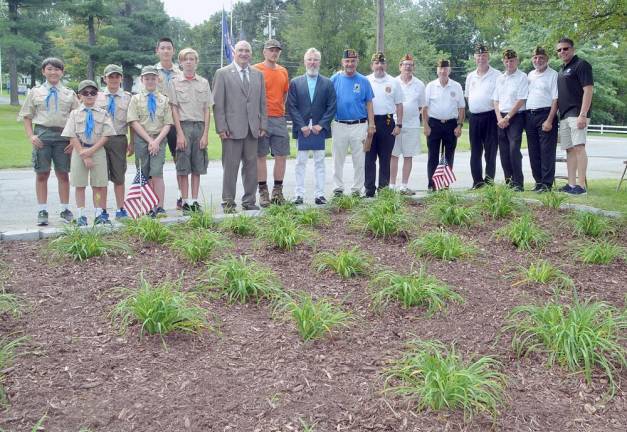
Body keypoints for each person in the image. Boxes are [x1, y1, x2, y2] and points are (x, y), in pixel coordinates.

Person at [18, 57, 79, 226]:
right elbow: (27, 117)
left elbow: (77, 118)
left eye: (57, 69)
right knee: (42, 173)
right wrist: (31, 136)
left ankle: (65, 209)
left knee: (63, 174)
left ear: (62, 72)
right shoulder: (35, 92)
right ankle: (42, 210)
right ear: (43, 71)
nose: (53, 72)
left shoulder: (69, 94)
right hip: (42, 136)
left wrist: (74, 141)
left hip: (63, 137)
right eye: (50, 69)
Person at [212, 40, 267, 213]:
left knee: (251, 167)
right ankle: (228, 202)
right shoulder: (222, 73)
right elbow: (217, 104)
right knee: (230, 167)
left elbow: (262, 102)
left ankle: (249, 201)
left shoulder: (258, 74)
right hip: (231, 130)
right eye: (241, 50)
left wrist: (262, 124)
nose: (244, 53)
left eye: (247, 51)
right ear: (234, 52)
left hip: (253, 129)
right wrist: (221, 128)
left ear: (251, 54)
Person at [61, 80, 115, 226]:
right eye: (85, 93)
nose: (89, 95)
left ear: (97, 95)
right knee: (80, 184)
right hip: (80, 150)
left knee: (99, 184)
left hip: (97, 150)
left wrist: (90, 151)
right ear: (80, 96)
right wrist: (83, 153)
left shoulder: (103, 113)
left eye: (93, 93)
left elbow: (106, 135)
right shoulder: (74, 114)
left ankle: (99, 214)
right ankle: (81, 215)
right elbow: (71, 135)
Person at [287, 48, 336, 205]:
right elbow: (291, 106)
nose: (312, 62)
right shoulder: (295, 83)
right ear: (305, 62)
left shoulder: (327, 83)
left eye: (315, 60)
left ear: (319, 62)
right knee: (300, 162)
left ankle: (320, 194)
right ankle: (299, 194)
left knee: (320, 162)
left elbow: (332, 106)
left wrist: (321, 125)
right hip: (302, 129)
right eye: (310, 59)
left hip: (318, 129)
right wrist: (301, 126)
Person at [168, 48, 213, 213]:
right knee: (183, 166)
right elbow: (173, 109)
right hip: (183, 126)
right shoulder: (174, 82)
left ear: (196, 62)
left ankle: (194, 201)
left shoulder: (203, 82)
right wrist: (179, 133)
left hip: (199, 127)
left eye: (192, 59)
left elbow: (207, 109)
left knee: (197, 166)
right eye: (185, 59)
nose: (189, 61)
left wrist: (206, 134)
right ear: (180, 62)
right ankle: (185, 201)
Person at [126, 65, 173, 217]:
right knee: (144, 173)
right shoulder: (135, 99)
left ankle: (159, 206)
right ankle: (146, 206)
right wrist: (149, 140)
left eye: (153, 78)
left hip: (159, 138)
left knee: (157, 173)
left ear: (158, 79)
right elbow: (133, 122)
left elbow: (168, 123)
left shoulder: (164, 100)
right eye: (147, 78)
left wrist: (156, 141)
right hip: (142, 140)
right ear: (142, 80)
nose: (150, 81)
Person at [330, 49, 375, 197]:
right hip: (339, 124)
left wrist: (371, 124)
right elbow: (328, 100)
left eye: (353, 61)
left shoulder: (363, 80)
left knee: (359, 159)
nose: (350, 64)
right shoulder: (335, 79)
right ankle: (338, 188)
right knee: (338, 158)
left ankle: (356, 189)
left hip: (359, 125)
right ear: (343, 62)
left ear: (357, 62)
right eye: (347, 61)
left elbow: (369, 103)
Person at [253, 40, 290, 206]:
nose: (274, 53)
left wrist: (280, 110)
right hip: (261, 118)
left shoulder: (283, 71)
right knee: (260, 155)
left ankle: (277, 191)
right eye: (271, 50)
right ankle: (263, 192)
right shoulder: (256, 70)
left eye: (277, 51)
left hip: (279, 118)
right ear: (264, 52)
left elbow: (284, 94)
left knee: (281, 155)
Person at [556, 37, 594, 195]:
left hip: (577, 114)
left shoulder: (581, 65)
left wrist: (583, 115)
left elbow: (588, 90)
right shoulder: (561, 69)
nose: (562, 52)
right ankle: (571, 185)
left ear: (572, 49)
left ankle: (581, 186)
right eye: (559, 50)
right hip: (564, 116)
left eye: (565, 48)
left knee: (579, 148)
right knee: (569, 150)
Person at [96, 64, 133, 219]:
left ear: (121, 78)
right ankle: (102, 210)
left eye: (117, 76)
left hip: (119, 139)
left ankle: (120, 208)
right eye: (110, 76)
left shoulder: (128, 97)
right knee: (101, 177)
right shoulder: (96, 96)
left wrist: (132, 142)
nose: (114, 79)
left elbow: (132, 121)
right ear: (105, 79)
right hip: (100, 141)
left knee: (119, 177)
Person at [423, 59, 465, 190]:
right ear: (437, 70)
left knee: (449, 155)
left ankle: (445, 184)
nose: (443, 71)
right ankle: (432, 184)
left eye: (445, 69)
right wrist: (425, 125)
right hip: (434, 124)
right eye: (440, 69)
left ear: (449, 70)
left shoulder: (456, 86)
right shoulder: (430, 86)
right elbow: (424, 108)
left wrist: (459, 125)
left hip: (451, 124)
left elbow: (462, 108)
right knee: (433, 155)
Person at [365, 52, 403, 197]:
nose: (379, 66)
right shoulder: (366, 80)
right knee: (369, 158)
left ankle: (383, 189)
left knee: (385, 157)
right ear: (372, 65)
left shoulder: (393, 82)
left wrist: (399, 124)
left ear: (386, 65)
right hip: (370, 122)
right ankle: (369, 190)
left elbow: (399, 105)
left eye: (382, 63)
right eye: (376, 63)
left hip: (387, 122)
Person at [154, 37, 185, 208]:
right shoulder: (150, 73)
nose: (166, 51)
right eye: (162, 48)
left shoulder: (180, 73)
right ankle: (155, 203)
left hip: (175, 123)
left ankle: (181, 196)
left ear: (173, 51)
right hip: (156, 124)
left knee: (178, 159)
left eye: (169, 48)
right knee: (155, 163)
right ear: (157, 51)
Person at [465, 44, 500, 189]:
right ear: (474, 57)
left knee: (491, 151)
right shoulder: (470, 76)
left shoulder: (497, 74)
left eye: (484, 55)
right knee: (475, 151)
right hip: (475, 118)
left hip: (491, 116)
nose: (481, 58)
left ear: (488, 56)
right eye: (478, 56)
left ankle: (489, 181)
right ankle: (477, 182)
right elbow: (467, 96)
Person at [493, 49, 528, 191]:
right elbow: (495, 100)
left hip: (516, 117)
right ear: (503, 62)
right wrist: (499, 118)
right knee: (504, 151)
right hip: (501, 117)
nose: (509, 63)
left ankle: (518, 183)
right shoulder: (500, 78)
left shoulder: (522, 77)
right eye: (506, 61)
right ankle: (509, 182)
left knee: (514, 149)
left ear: (517, 61)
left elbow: (521, 99)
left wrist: (507, 117)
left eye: (512, 60)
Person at [525, 46, 558, 192]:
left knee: (546, 151)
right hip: (530, 116)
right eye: (535, 58)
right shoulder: (530, 75)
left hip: (546, 115)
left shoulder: (553, 75)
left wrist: (550, 120)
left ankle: (547, 184)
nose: (538, 60)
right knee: (534, 152)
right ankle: (538, 182)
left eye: (541, 58)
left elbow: (555, 99)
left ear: (547, 59)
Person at [391, 54, 424, 195]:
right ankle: (391, 186)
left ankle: (404, 186)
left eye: (410, 65)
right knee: (393, 155)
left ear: (413, 67)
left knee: (408, 156)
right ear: (400, 67)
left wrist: (411, 113)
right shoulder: (393, 82)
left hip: (412, 125)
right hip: (394, 123)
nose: (408, 67)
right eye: (405, 64)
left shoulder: (420, 84)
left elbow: (422, 106)